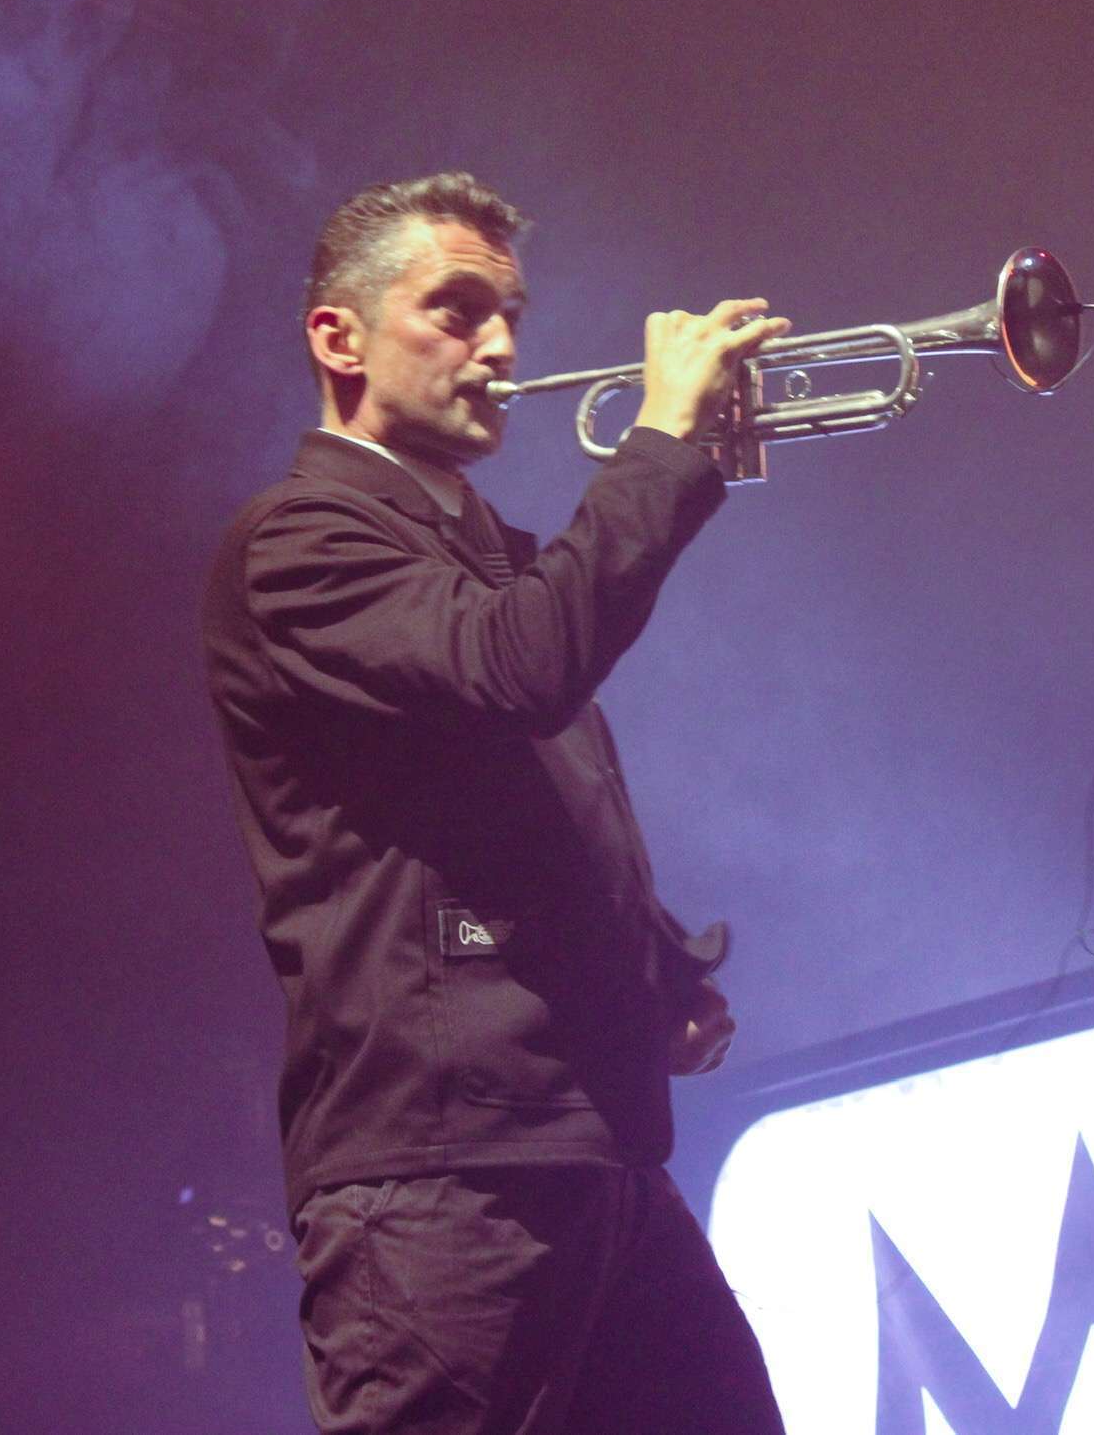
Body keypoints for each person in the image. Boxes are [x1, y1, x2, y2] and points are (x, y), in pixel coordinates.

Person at [202, 172, 791, 1434]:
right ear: (338, 338)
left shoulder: (492, 560)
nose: (501, 348)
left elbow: (523, 811)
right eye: (457, 310)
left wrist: (648, 969)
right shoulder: (298, 541)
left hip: (588, 1145)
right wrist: (662, 442)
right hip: (441, 1168)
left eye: (509, 316)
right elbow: (521, 669)